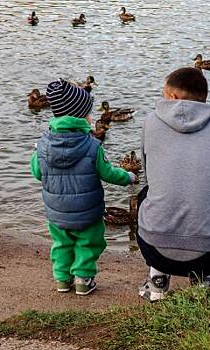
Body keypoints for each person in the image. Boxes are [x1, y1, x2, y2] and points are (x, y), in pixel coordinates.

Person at [137, 67, 210, 301]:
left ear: (172, 97)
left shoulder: (150, 122)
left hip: (154, 248)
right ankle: (206, 276)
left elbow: (149, 173)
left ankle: (157, 276)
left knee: (146, 193)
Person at [30, 79, 136, 296]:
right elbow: (109, 174)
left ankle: (62, 280)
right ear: (80, 116)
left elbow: (37, 173)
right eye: (89, 113)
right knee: (89, 244)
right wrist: (128, 177)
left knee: (61, 244)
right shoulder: (92, 145)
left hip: (56, 210)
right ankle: (83, 280)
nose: (91, 117)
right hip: (88, 211)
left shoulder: (42, 144)